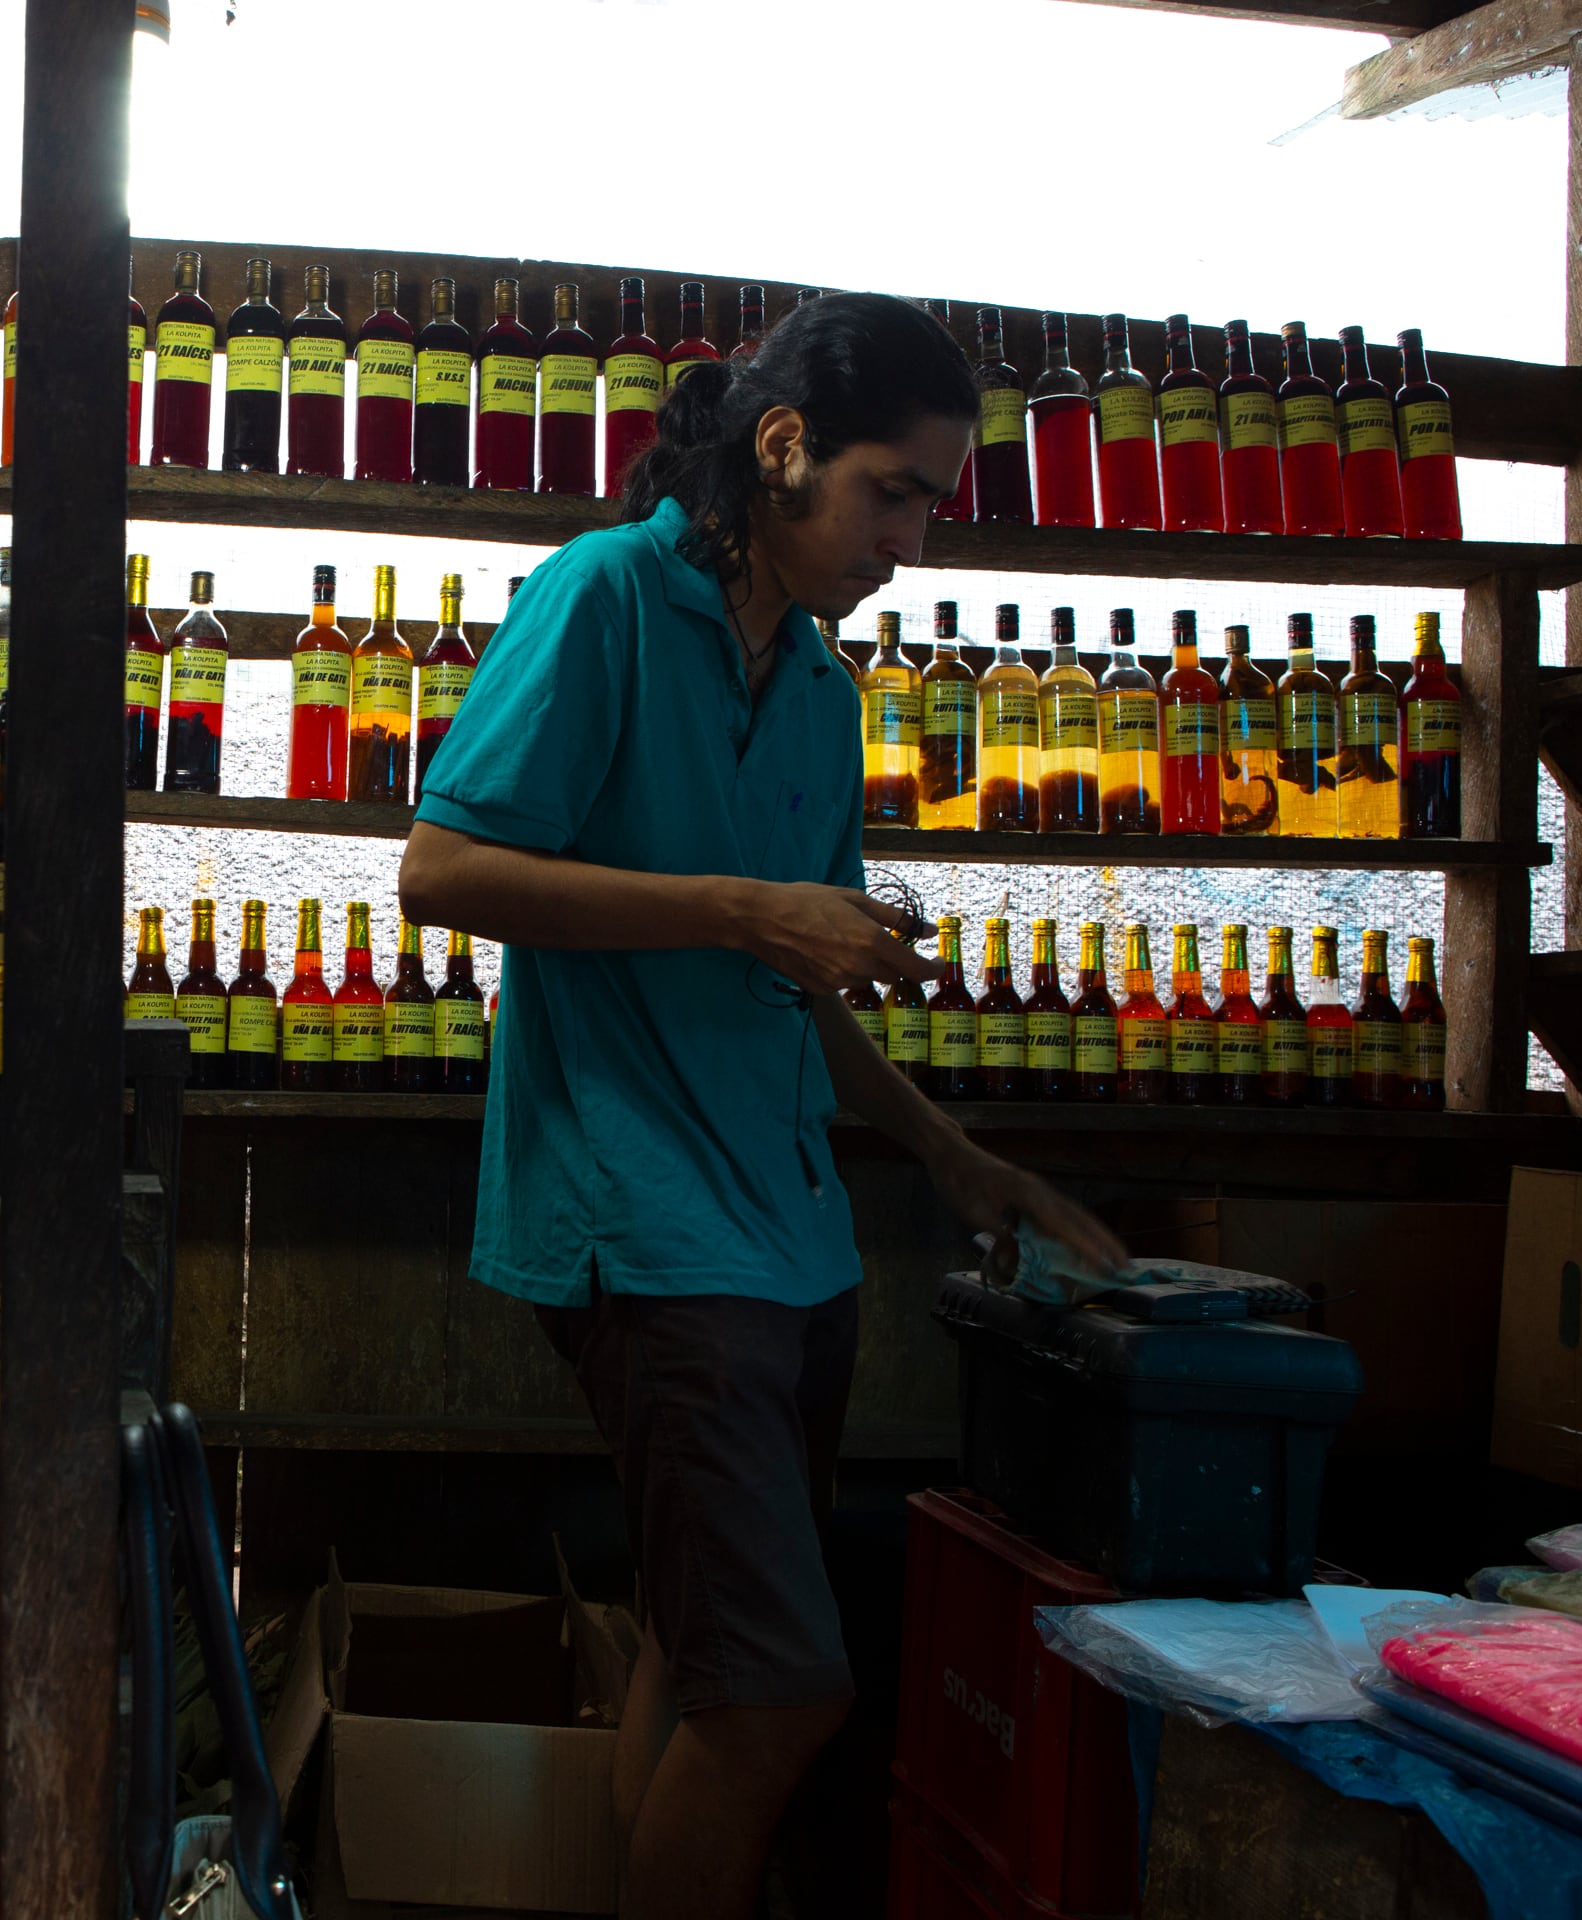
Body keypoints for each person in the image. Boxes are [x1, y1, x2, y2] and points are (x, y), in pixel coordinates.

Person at [397, 291, 1127, 1920]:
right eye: (893, 491)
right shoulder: (602, 598)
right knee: (784, 1695)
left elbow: (809, 974)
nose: (911, 540)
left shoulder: (818, 689)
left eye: (934, 501)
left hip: (791, 1244)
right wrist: (744, 906)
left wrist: (949, 1151)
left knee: (697, 1651)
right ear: (783, 448)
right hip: (643, 1229)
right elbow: (440, 872)